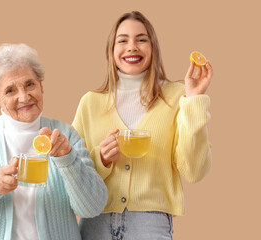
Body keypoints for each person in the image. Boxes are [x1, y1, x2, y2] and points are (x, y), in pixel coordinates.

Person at [0, 43, 107, 240]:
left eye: (30, 84)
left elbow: (92, 207)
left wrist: (68, 160)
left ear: (41, 86)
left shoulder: (66, 136)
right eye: (10, 90)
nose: (24, 96)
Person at [72, 11, 213, 239]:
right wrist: (101, 158)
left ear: (153, 47)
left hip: (150, 224)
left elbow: (194, 171)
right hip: (95, 222)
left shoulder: (178, 97)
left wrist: (195, 101)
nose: (132, 47)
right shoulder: (90, 102)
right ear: (111, 50)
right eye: (123, 40)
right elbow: (71, 173)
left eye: (141, 39)